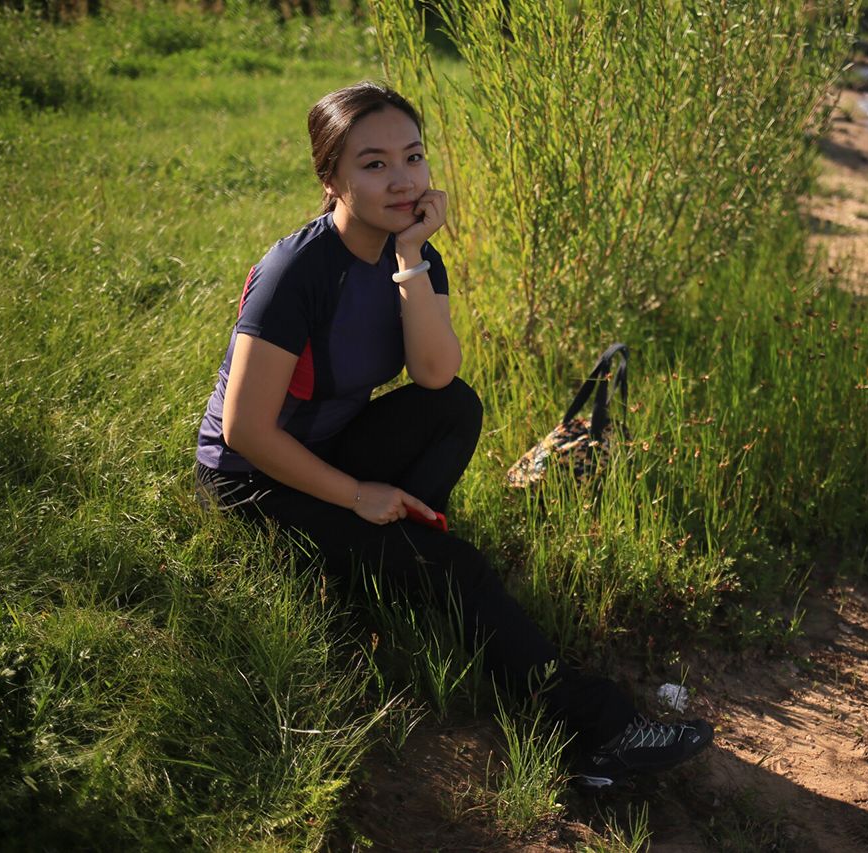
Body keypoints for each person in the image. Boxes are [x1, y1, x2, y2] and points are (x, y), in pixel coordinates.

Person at [192, 80, 712, 789]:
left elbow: (436, 375)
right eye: (374, 164)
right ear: (331, 178)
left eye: (413, 157)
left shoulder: (411, 253)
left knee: (456, 408)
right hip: (250, 481)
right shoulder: (296, 272)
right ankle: (602, 734)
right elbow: (245, 430)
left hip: (323, 450)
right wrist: (359, 494)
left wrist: (410, 256)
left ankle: (395, 567)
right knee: (455, 568)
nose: (402, 179)